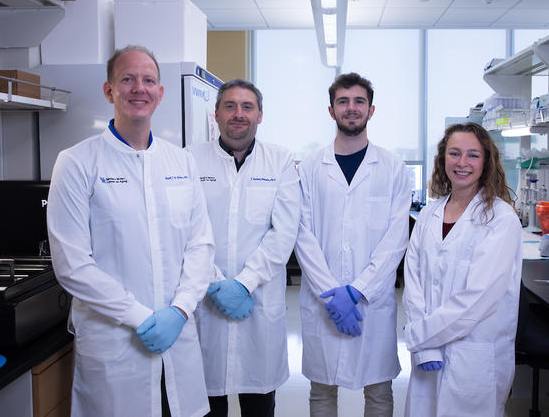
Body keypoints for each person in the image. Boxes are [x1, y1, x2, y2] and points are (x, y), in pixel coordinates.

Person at [47, 45, 215, 417]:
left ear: (160, 93)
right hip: (116, 343)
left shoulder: (181, 161)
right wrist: (140, 316)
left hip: (178, 335)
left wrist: (180, 310)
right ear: (109, 91)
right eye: (127, 79)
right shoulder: (77, 163)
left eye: (149, 80)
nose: (139, 88)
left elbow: (200, 245)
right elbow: (72, 264)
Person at [294, 72, 410, 417]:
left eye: (359, 101)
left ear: (371, 110)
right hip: (323, 301)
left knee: (378, 391)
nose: (351, 108)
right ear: (331, 111)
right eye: (343, 102)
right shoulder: (310, 167)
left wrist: (358, 291)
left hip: (371, 302)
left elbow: (395, 239)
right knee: (322, 391)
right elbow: (302, 235)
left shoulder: (393, 167)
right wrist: (332, 293)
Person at [189, 79, 301, 417]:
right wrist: (214, 281)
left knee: (259, 403)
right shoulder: (190, 159)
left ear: (260, 115)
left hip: (259, 301)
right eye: (230, 106)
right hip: (205, 300)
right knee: (208, 404)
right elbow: (186, 230)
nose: (239, 114)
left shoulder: (280, 161)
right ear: (216, 115)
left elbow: (283, 232)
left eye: (247, 107)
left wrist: (242, 283)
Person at [402, 122, 522, 417]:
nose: (462, 163)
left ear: (487, 162)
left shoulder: (500, 219)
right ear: (443, 160)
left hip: (473, 354)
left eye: (473, 155)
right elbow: (413, 280)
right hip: (427, 354)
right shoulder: (429, 213)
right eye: (454, 154)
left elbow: (478, 298)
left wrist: (421, 336)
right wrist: (426, 345)